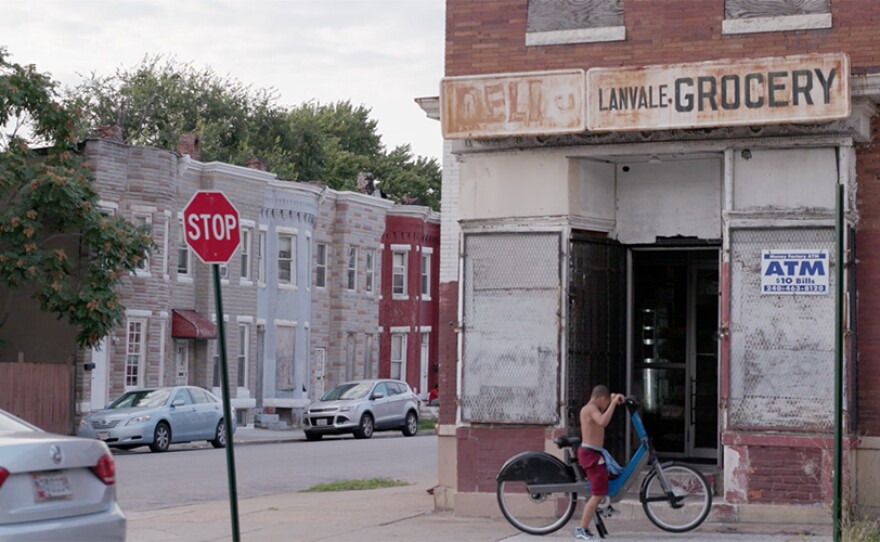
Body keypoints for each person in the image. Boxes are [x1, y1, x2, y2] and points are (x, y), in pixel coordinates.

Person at [574, 385, 625, 540]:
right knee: (596, 495)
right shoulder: (589, 409)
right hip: (590, 455)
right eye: (605, 403)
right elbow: (603, 422)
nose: (605, 407)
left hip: (595, 453)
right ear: (601, 398)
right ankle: (581, 529)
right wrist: (613, 403)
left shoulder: (593, 408)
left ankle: (605, 506)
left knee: (613, 474)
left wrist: (615, 400)